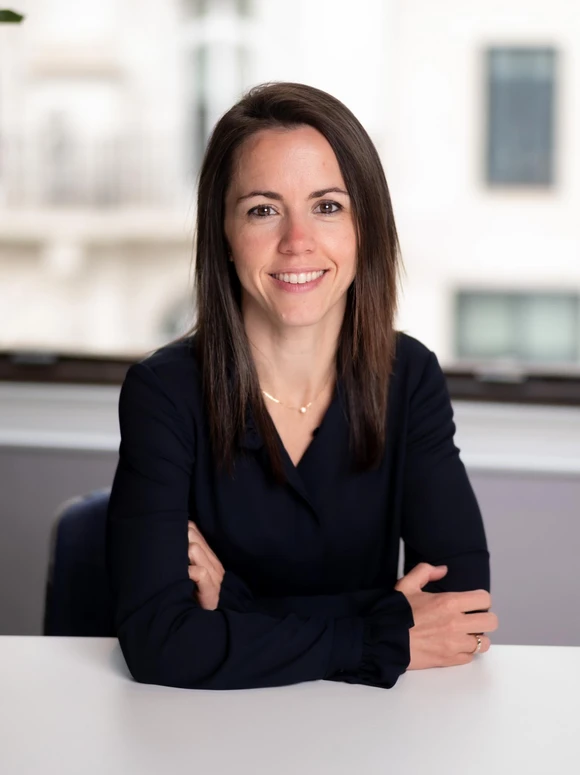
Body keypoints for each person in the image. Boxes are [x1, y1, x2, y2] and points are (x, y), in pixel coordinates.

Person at [106, 82, 498, 691]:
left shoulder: (409, 376)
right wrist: (382, 626)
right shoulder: (164, 392)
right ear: (225, 236)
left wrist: (235, 609)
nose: (297, 242)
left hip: (365, 737)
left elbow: (464, 616)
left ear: (363, 227)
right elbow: (159, 643)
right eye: (263, 209)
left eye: (327, 206)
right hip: (201, 738)